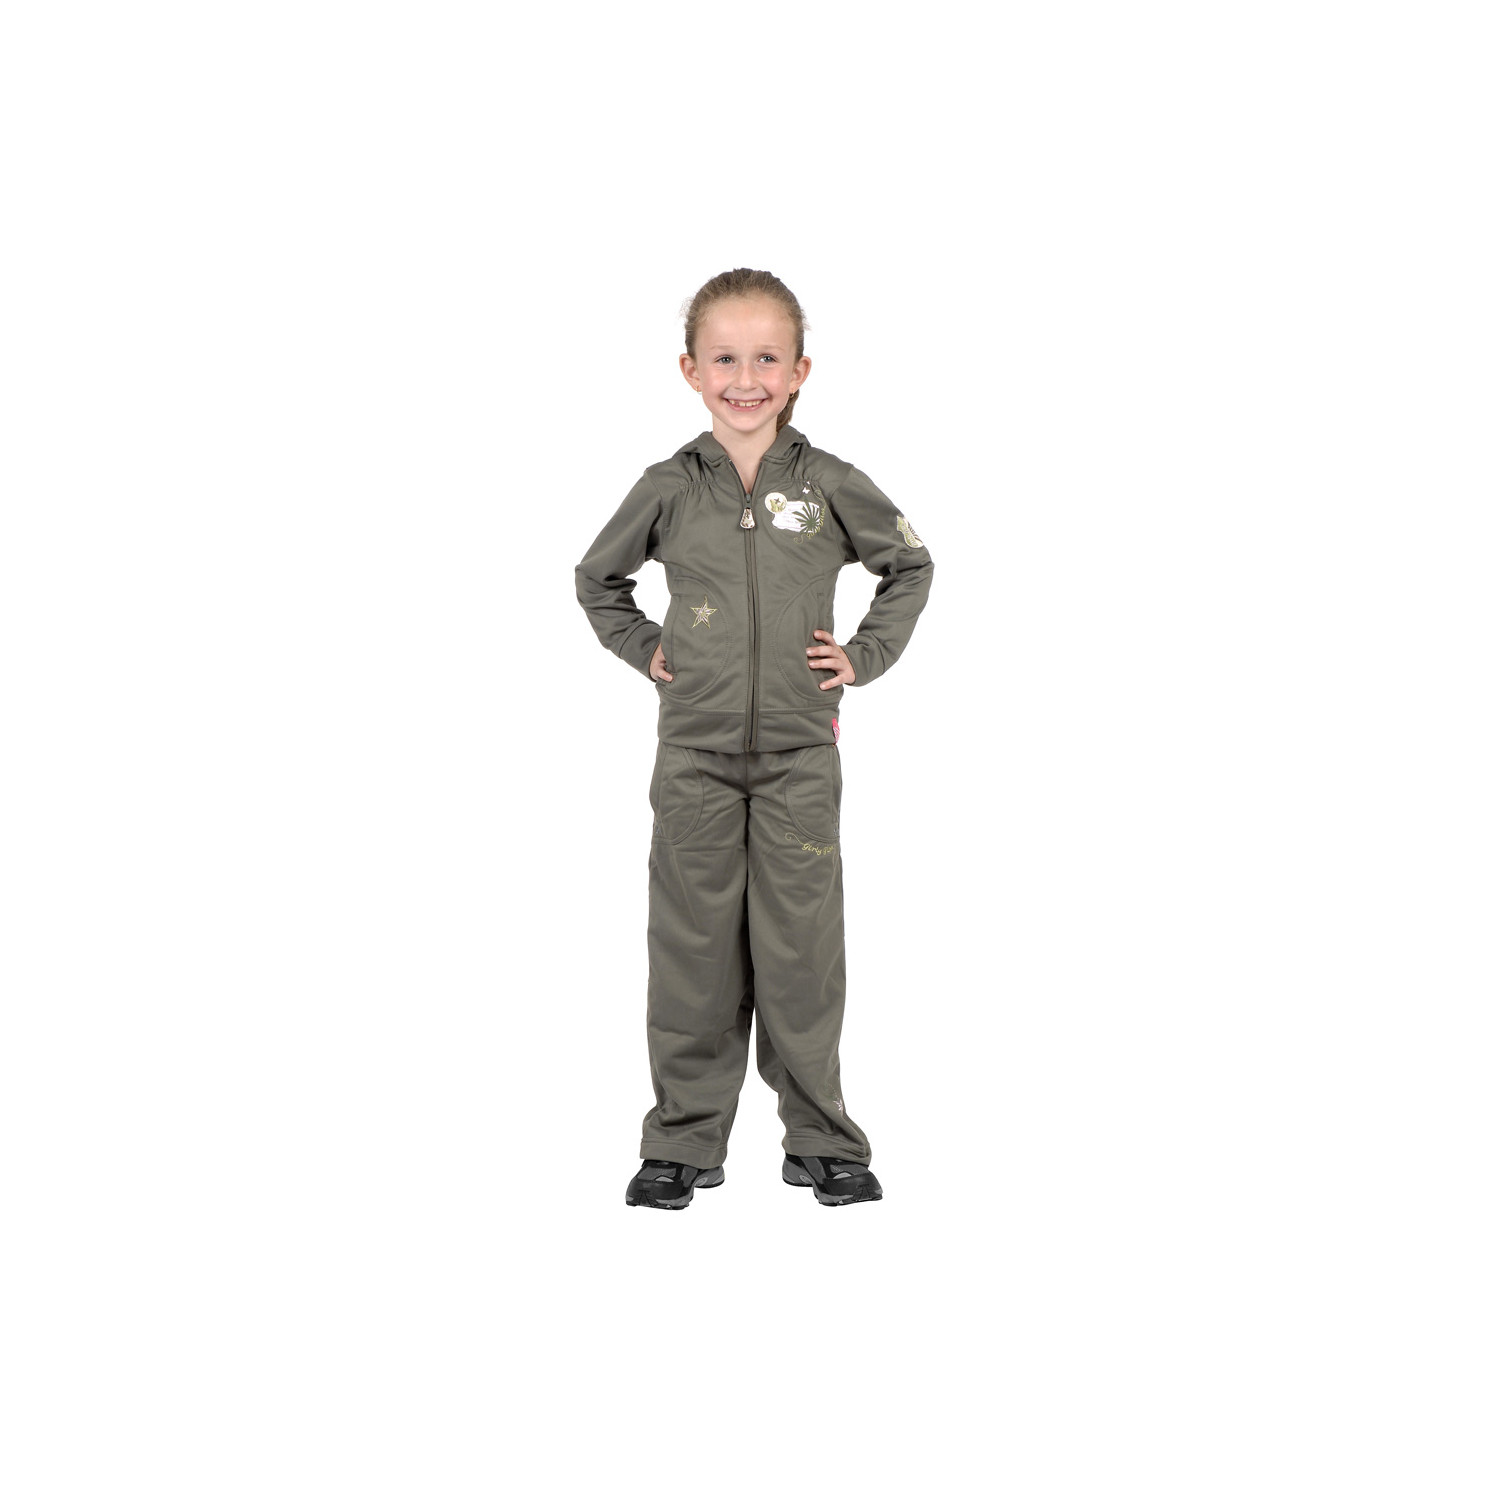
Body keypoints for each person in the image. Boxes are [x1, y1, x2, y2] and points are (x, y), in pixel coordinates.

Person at [574, 268, 934, 1209]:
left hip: (799, 760)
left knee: (801, 955)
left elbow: (909, 565)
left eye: (767, 359)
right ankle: (682, 1142)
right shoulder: (667, 487)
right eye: (725, 359)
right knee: (691, 952)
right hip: (693, 760)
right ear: (690, 370)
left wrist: (863, 656)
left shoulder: (830, 484)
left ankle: (821, 1138)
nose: (746, 379)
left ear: (800, 370)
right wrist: (646, 648)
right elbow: (597, 581)